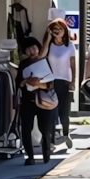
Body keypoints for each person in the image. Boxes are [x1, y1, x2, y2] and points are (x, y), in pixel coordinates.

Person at [18, 37, 57, 165]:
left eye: (34, 47)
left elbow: (51, 83)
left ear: (38, 47)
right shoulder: (23, 64)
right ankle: (29, 156)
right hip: (27, 101)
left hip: (44, 100)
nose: (32, 50)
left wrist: (39, 84)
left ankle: (46, 153)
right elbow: (18, 83)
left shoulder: (46, 61)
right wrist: (24, 82)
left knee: (45, 129)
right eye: (28, 49)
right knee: (26, 128)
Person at [42, 17, 79, 149]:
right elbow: (42, 56)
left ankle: (65, 133)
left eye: (60, 28)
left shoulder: (70, 46)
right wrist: (47, 37)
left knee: (64, 112)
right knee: (51, 112)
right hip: (51, 81)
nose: (57, 31)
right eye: (55, 29)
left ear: (65, 30)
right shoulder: (49, 45)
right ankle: (50, 141)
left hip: (65, 81)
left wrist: (73, 82)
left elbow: (73, 66)